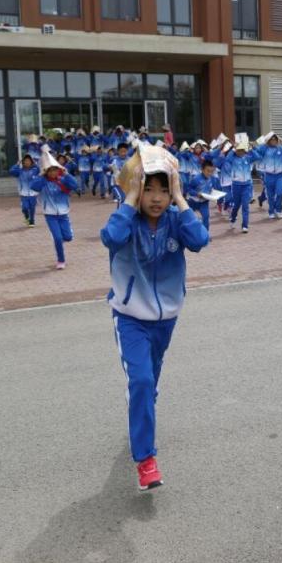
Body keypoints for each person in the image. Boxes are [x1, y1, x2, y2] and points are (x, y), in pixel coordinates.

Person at [101, 159, 210, 490]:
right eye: (149, 188)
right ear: (136, 189)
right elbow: (111, 237)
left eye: (164, 189)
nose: (157, 197)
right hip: (131, 317)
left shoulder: (177, 221)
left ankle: (143, 397)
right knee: (142, 381)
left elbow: (200, 239)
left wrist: (181, 199)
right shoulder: (126, 221)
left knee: (151, 377)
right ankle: (146, 460)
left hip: (166, 319)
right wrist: (130, 199)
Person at [31, 151, 79, 269]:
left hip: (63, 214)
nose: (53, 172)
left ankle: (66, 235)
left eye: (55, 170)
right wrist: (41, 175)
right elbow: (34, 186)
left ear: (59, 170)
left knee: (67, 237)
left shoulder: (63, 180)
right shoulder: (43, 182)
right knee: (57, 238)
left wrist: (66, 174)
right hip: (50, 215)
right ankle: (61, 260)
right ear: (47, 171)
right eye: (50, 170)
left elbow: (75, 185)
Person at [223, 142, 256, 233]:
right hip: (236, 185)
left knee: (245, 205)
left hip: (247, 185)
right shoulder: (233, 158)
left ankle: (245, 226)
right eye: (238, 150)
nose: (240, 152)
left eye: (242, 150)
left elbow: (258, 157)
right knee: (236, 205)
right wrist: (234, 148)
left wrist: (251, 148)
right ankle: (233, 218)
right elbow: (227, 159)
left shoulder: (248, 158)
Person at [185, 159, 216, 232]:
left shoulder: (211, 179)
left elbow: (210, 188)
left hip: (204, 202)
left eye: (211, 171)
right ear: (202, 169)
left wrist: (213, 193)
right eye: (208, 171)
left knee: (206, 217)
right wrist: (196, 194)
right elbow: (188, 189)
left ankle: (205, 235)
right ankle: (188, 233)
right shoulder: (196, 179)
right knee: (189, 218)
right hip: (193, 201)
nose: (210, 173)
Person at [9, 155, 39, 227]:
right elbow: (11, 171)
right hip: (23, 193)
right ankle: (26, 217)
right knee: (25, 208)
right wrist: (17, 164)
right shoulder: (19, 171)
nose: (27, 162)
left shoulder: (34, 170)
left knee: (32, 208)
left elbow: (40, 169)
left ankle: (32, 221)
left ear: (31, 162)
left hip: (33, 193)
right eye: (25, 161)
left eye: (29, 161)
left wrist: (35, 163)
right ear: (23, 162)